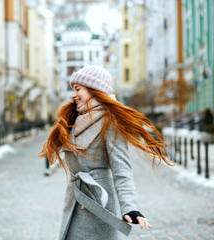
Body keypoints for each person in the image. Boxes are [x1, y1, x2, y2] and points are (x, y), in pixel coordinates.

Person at [39, 65, 172, 240]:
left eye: (78, 89)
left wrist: (130, 207)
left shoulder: (110, 123)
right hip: (74, 202)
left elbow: (122, 170)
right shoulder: (75, 119)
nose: (73, 95)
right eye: (73, 89)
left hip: (98, 206)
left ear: (94, 91)